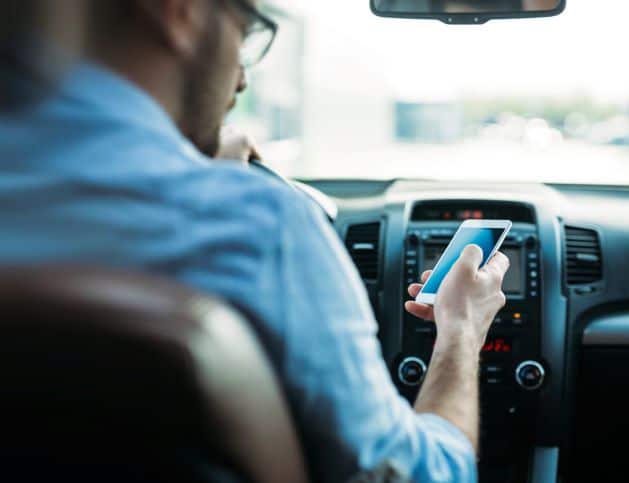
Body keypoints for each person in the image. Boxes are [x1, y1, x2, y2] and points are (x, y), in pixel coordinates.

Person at [0, 1, 509, 482]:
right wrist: (460, 330)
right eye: (244, 35)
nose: (241, 77)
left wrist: (193, 163)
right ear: (181, 10)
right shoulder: (257, 227)